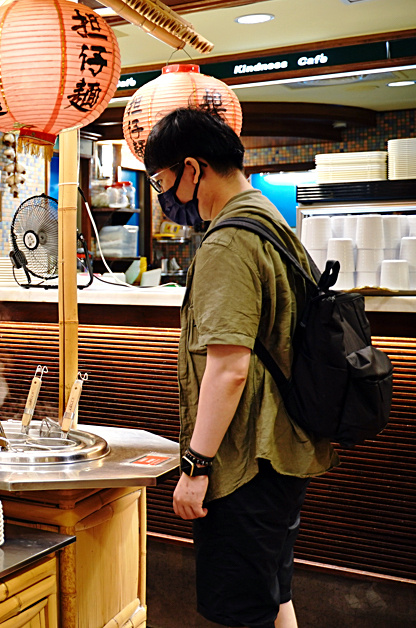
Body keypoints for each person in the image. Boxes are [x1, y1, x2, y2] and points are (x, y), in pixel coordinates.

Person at [143, 107, 338, 628]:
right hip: (284, 448)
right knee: (274, 594)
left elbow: (228, 368)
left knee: (243, 610)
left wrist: (196, 467)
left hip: (248, 459)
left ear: (193, 168)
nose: (167, 201)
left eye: (164, 183)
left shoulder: (229, 239)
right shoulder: (269, 218)